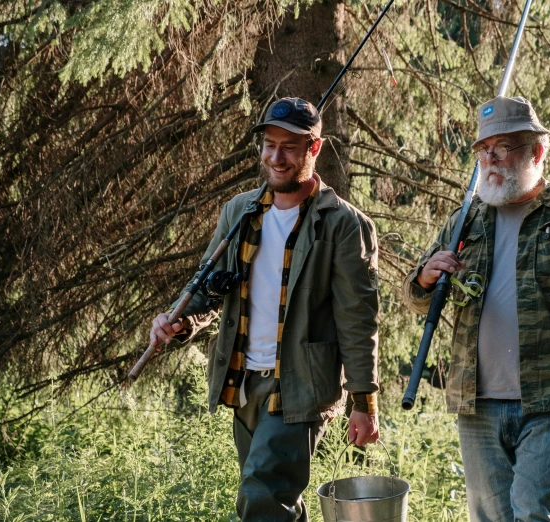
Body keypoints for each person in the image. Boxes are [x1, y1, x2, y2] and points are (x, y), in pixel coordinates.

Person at [149, 97, 381, 521]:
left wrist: (363, 402)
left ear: (315, 149)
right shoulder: (240, 212)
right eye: (269, 145)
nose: (276, 157)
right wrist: (176, 321)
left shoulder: (344, 224)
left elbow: (357, 319)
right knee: (276, 503)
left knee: (261, 496)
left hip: (301, 388)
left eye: (290, 147)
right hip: (242, 382)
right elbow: (206, 286)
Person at [402, 96, 550, 521]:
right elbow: (416, 298)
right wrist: (426, 277)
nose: (490, 159)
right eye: (484, 150)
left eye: (502, 148)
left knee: (534, 513)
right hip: (477, 402)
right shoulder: (464, 221)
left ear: (536, 152)